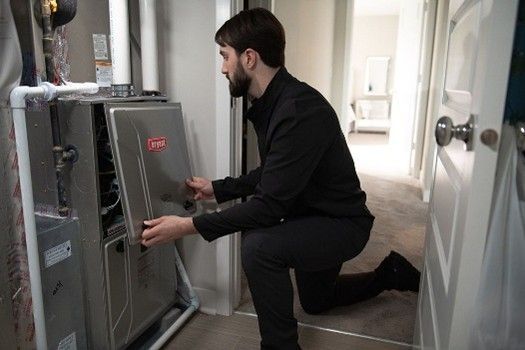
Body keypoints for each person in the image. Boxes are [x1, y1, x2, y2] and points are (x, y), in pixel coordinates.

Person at [141, 8, 420, 350]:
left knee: (259, 247)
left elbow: (269, 205)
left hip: (341, 224)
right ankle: (389, 273)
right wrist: (219, 188)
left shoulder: (298, 109)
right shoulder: (271, 103)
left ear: (249, 57)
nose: (223, 68)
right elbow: (274, 174)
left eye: (225, 56)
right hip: (310, 215)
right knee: (316, 301)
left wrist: (187, 227)